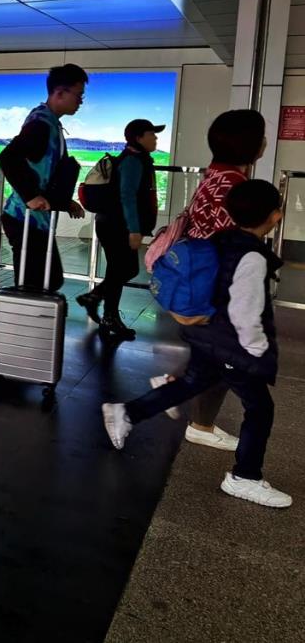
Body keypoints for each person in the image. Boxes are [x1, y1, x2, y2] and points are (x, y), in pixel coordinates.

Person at [103, 179, 291, 508]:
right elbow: (244, 312)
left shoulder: (220, 239)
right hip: (231, 344)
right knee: (260, 408)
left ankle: (126, 412)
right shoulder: (253, 257)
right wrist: (256, 349)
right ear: (275, 216)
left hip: (206, 333)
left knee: (192, 383)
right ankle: (245, 477)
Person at [152, 110, 268, 451]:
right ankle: (196, 420)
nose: (264, 141)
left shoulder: (214, 175)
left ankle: (192, 413)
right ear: (249, 144)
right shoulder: (235, 186)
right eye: (260, 135)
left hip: (200, 278)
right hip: (214, 283)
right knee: (226, 355)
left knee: (214, 354)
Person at [0, 64, 87, 299]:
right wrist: (30, 196)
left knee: (47, 279)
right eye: (78, 95)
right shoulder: (41, 124)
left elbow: (47, 173)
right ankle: (13, 318)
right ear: (60, 93)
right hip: (23, 218)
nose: (81, 101)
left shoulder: (50, 122)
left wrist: (64, 202)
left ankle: (20, 317)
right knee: (35, 282)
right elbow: (8, 157)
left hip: (34, 220)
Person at [77, 119, 162, 341]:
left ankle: (100, 305)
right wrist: (134, 230)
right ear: (139, 138)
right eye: (151, 134)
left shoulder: (134, 158)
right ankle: (105, 311)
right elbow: (127, 195)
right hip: (117, 226)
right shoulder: (133, 161)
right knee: (125, 269)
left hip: (112, 223)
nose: (155, 138)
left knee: (120, 270)